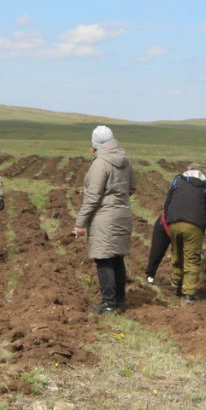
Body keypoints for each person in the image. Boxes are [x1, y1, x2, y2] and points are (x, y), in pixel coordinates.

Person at [74, 125, 136, 315]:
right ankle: (119, 301)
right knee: (117, 258)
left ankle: (109, 304)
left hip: (104, 217)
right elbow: (131, 188)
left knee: (104, 260)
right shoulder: (125, 160)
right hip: (122, 213)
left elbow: (92, 197)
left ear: (96, 144)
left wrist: (80, 222)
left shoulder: (100, 163)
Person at [163, 164, 206, 303]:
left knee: (177, 252)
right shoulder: (205, 186)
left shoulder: (177, 181)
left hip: (173, 222)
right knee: (192, 258)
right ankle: (188, 293)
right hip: (193, 224)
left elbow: (167, 203)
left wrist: (169, 218)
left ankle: (176, 283)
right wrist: (203, 225)